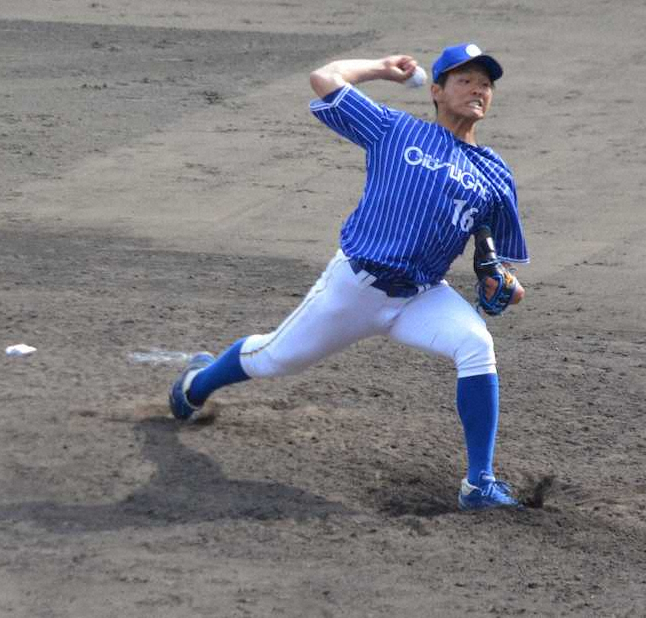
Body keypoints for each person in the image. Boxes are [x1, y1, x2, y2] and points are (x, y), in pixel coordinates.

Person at [170, 43, 530, 511]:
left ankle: (479, 483)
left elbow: (494, 253)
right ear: (437, 91)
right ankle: (195, 384)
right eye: (465, 80)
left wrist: (498, 280)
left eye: (485, 84)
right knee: (272, 360)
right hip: (354, 290)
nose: (477, 89)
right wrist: (381, 70)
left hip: (420, 297)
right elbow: (324, 78)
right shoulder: (395, 130)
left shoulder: (496, 173)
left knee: (476, 345)